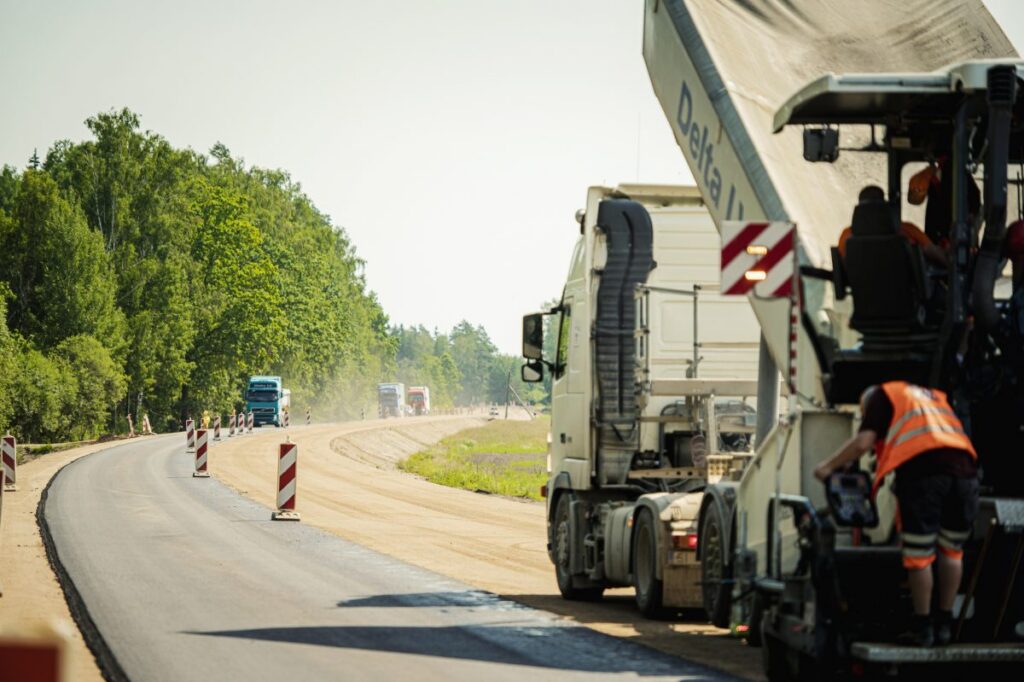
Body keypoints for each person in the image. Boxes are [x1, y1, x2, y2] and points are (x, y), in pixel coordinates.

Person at [814, 381, 979, 647]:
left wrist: (828, 467)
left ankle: (923, 627)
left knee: (919, 556)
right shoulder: (930, 397)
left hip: (925, 477)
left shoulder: (881, 396)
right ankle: (945, 625)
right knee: (952, 551)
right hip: (966, 475)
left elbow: (863, 442)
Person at [837, 186, 948, 267]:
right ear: (884, 206)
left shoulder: (847, 237)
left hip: (865, 298)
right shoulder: (906, 230)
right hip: (907, 295)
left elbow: (844, 269)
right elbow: (936, 255)